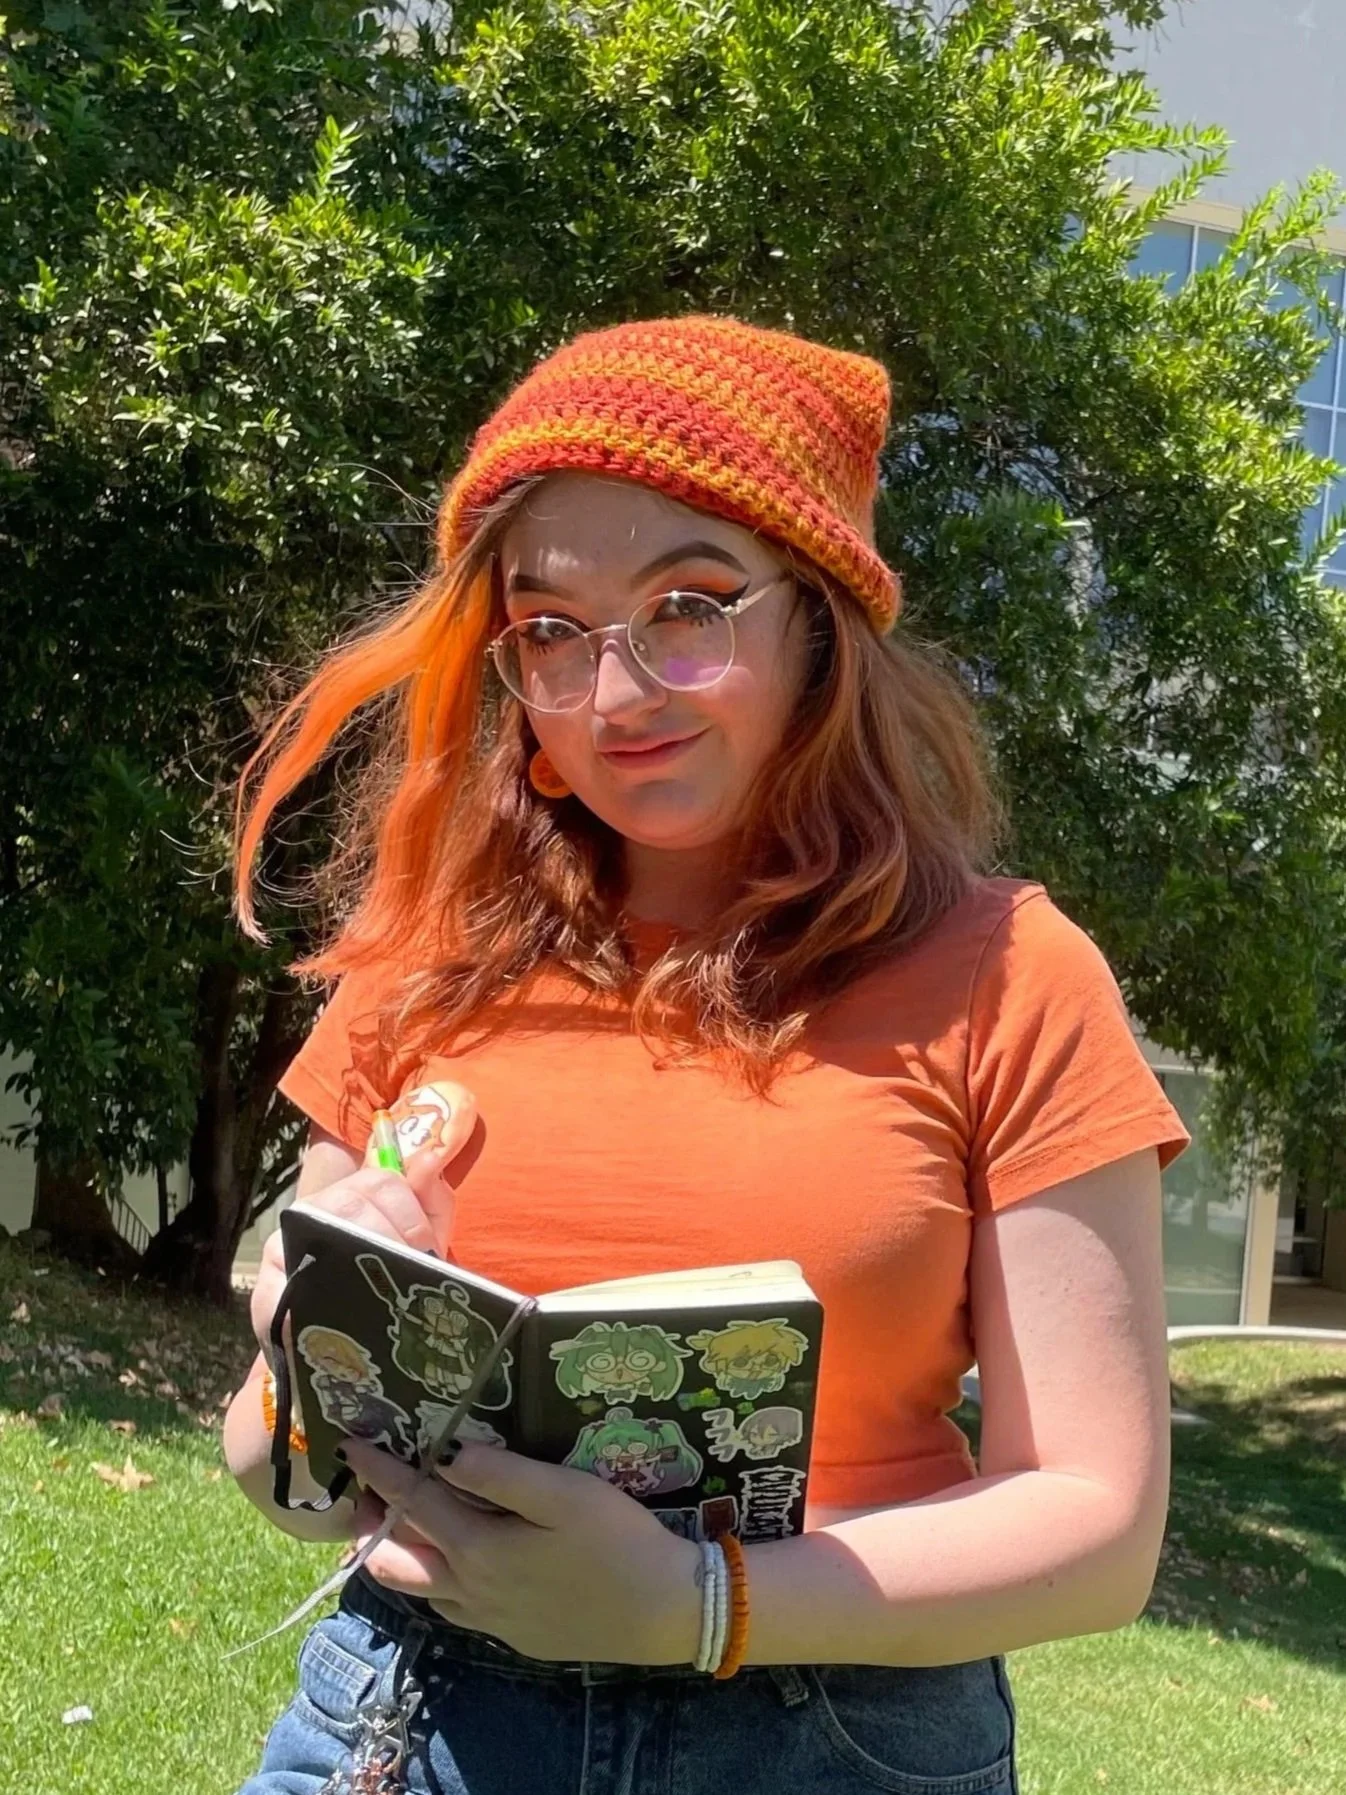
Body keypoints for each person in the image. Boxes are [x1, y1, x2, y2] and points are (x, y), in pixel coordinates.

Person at [223, 315, 1189, 1795]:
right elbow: (273, 1477)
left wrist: (699, 1607)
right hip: (410, 1718)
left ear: (816, 623)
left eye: (688, 605)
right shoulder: (426, 956)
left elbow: (1096, 1524)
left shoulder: (1010, 976)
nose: (611, 698)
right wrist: (312, 1362)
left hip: (833, 1738)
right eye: (547, 631)